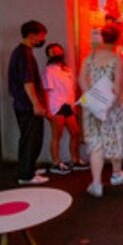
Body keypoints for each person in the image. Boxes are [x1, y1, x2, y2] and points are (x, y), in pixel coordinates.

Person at [79, 24, 123, 198]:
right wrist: (110, 105)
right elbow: (118, 86)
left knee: (95, 144)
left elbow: (82, 80)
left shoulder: (89, 58)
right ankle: (116, 173)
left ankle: (97, 183)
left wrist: (92, 100)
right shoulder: (115, 60)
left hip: (93, 106)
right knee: (116, 139)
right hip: (113, 107)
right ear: (116, 40)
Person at [8, 20, 50, 185]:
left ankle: (28, 168)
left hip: (23, 104)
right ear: (32, 35)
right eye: (41, 36)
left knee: (28, 138)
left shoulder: (22, 52)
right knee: (31, 139)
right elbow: (28, 82)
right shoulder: (24, 54)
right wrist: (36, 103)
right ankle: (26, 175)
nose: (42, 40)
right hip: (26, 105)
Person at [42, 43, 87, 175]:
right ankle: (56, 163)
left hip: (69, 105)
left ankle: (75, 159)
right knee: (57, 135)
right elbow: (46, 90)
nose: (57, 54)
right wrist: (47, 110)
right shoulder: (48, 70)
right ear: (49, 55)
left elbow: (73, 88)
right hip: (55, 106)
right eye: (53, 52)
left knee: (76, 132)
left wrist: (77, 103)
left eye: (59, 51)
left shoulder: (67, 70)